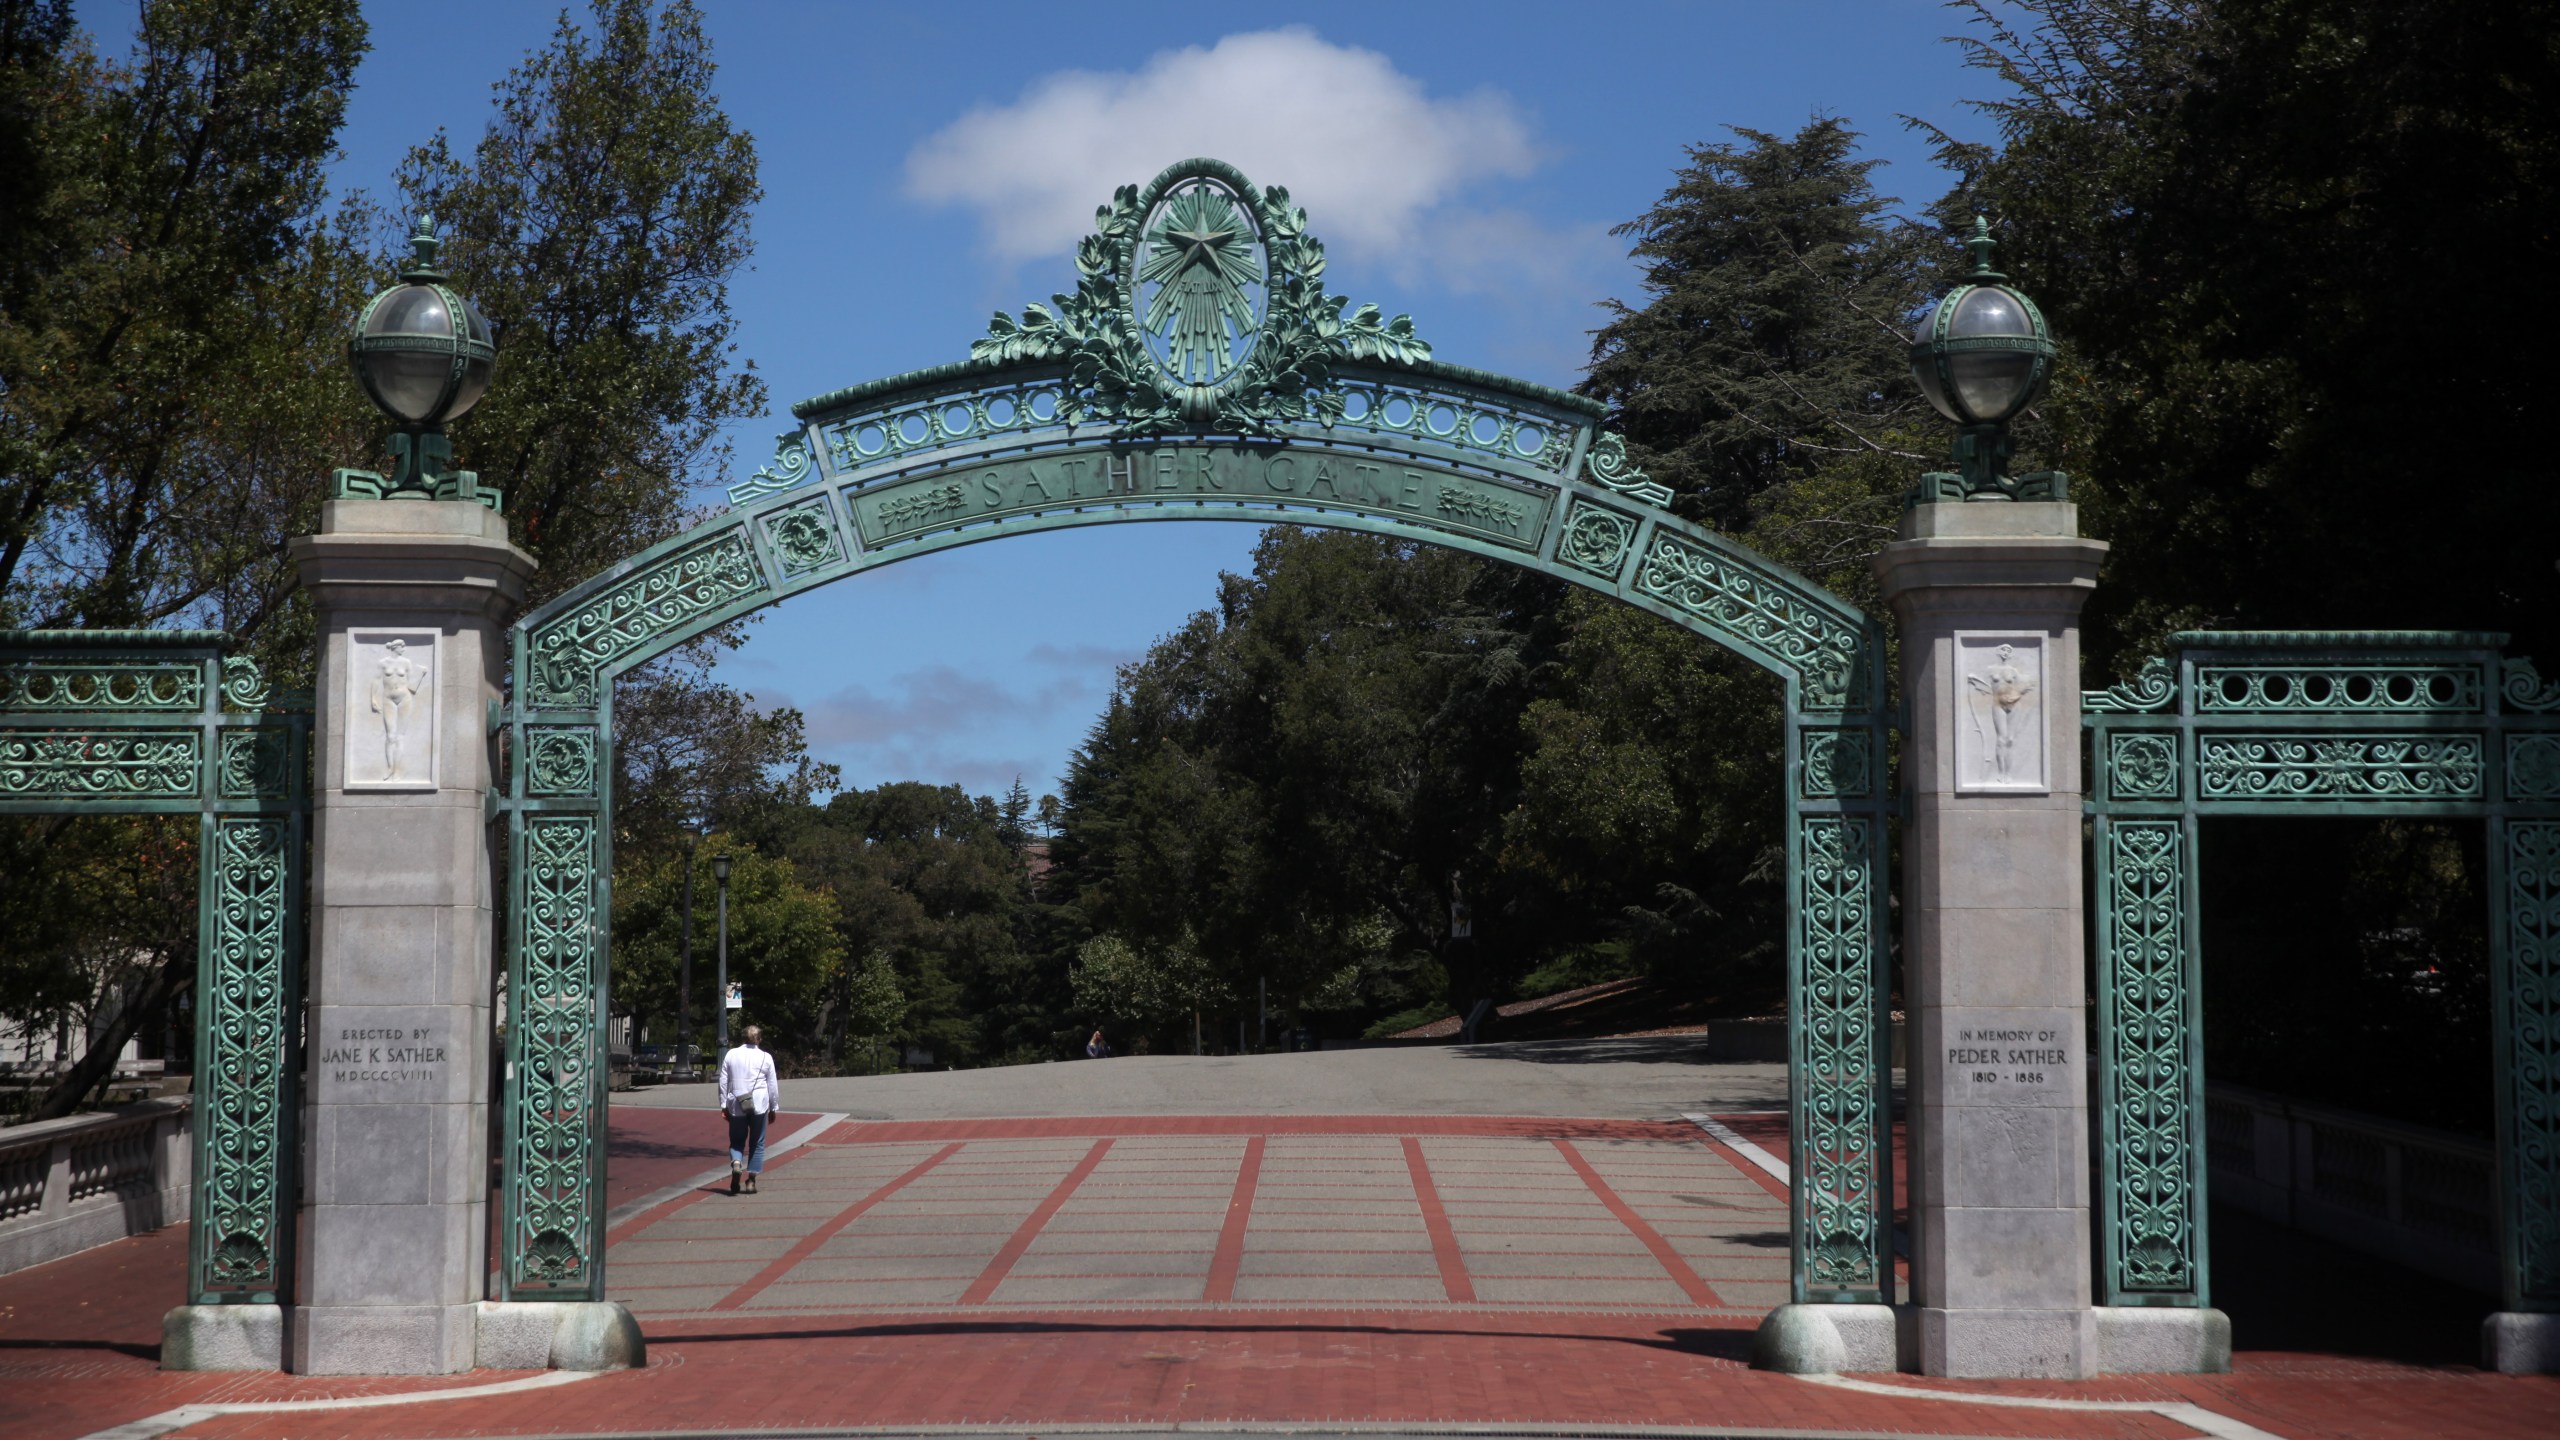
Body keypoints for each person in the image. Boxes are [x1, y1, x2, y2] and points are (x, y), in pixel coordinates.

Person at [717, 1025, 782, 1194]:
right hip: (759, 1103)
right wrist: (773, 1107)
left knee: (737, 1140)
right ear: (759, 1039)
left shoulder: (731, 1054)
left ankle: (737, 1163)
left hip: (737, 1103)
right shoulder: (766, 1057)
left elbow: (724, 1081)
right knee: (757, 1142)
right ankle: (751, 1180)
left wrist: (723, 1104)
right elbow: (772, 1085)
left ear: (743, 1038)